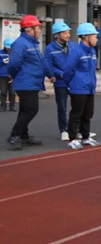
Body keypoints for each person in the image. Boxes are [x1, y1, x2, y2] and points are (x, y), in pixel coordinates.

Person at [6, 15, 56, 150]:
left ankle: (24, 136)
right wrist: (15, 75)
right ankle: (14, 135)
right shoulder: (20, 44)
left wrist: (50, 74)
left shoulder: (33, 44)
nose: (39, 31)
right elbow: (14, 64)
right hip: (25, 83)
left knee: (24, 109)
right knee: (31, 109)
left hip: (32, 82)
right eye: (37, 28)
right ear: (29, 30)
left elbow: (42, 62)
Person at [63, 23, 101, 150]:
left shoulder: (93, 51)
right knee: (76, 114)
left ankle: (85, 137)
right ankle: (72, 138)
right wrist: (70, 84)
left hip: (90, 87)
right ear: (86, 37)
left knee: (88, 113)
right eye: (94, 36)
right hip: (78, 88)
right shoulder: (76, 52)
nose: (97, 39)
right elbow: (68, 70)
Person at [44, 22, 77, 141]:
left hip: (74, 80)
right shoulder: (49, 48)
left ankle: (75, 129)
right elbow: (48, 65)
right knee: (62, 107)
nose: (68, 35)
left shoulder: (73, 46)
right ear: (57, 35)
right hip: (60, 81)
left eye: (69, 32)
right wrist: (58, 74)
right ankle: (64, 130)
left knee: (77, 106)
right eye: (65, 33)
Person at [0, 38, 16, 112]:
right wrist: (2, 61)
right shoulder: (0, 52)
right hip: (2, 75)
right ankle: (3, 106)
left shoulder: (14, 53)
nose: (8, 49)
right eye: (7, 47)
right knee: (3, 91)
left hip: (12, 75)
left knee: (12, 92)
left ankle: (12, 106)